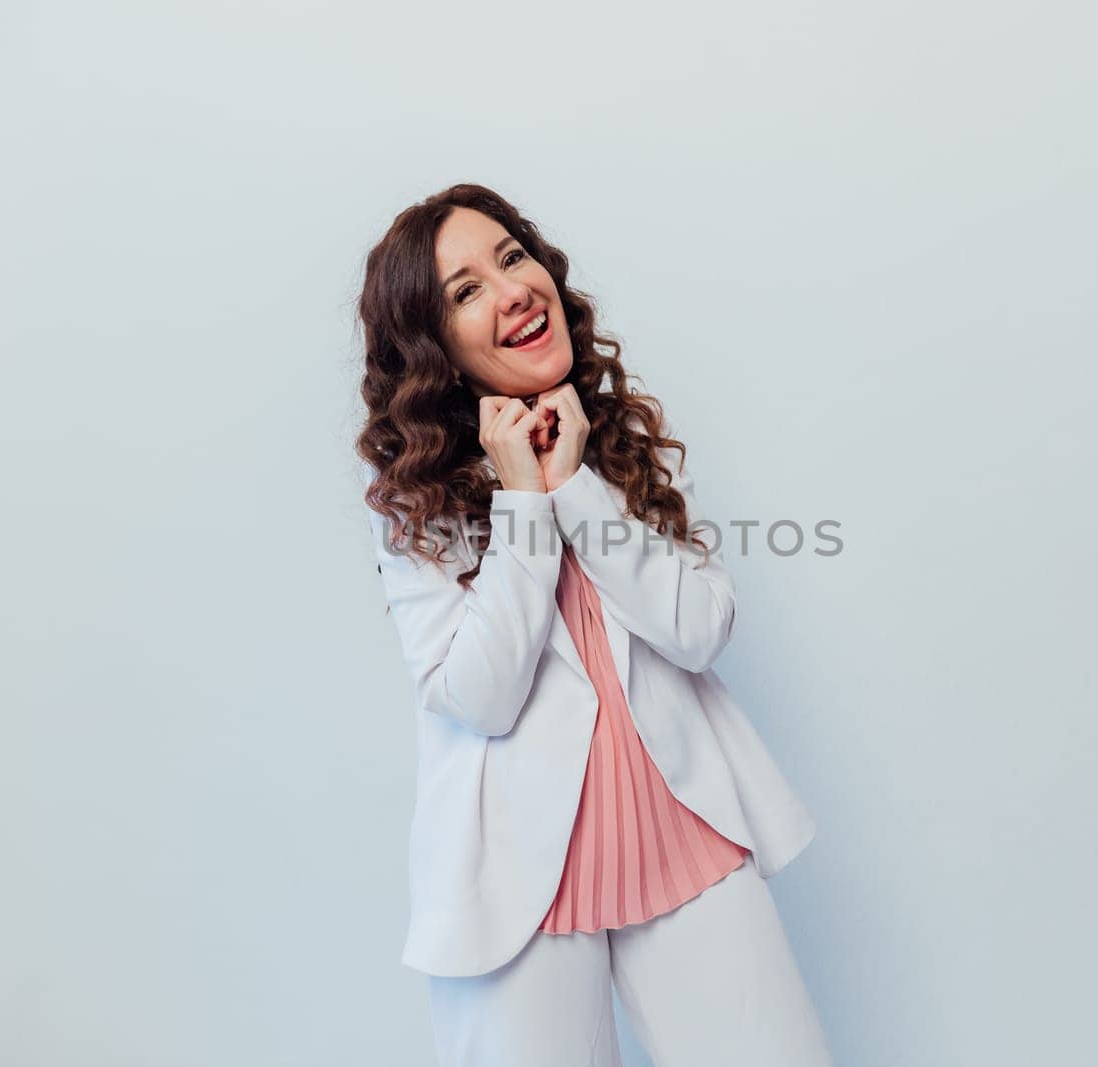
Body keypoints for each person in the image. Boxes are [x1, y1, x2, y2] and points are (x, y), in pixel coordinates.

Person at [354, 183, 833, 1066]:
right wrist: (523, 501)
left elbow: (698, 627)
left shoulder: (613, 442)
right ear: (437, 353)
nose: (512, 290)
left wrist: (575, 483)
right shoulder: (414, 514)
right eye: (465, 291)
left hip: (683, 832)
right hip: (516, 883)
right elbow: (483, 698)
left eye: (512, 257)